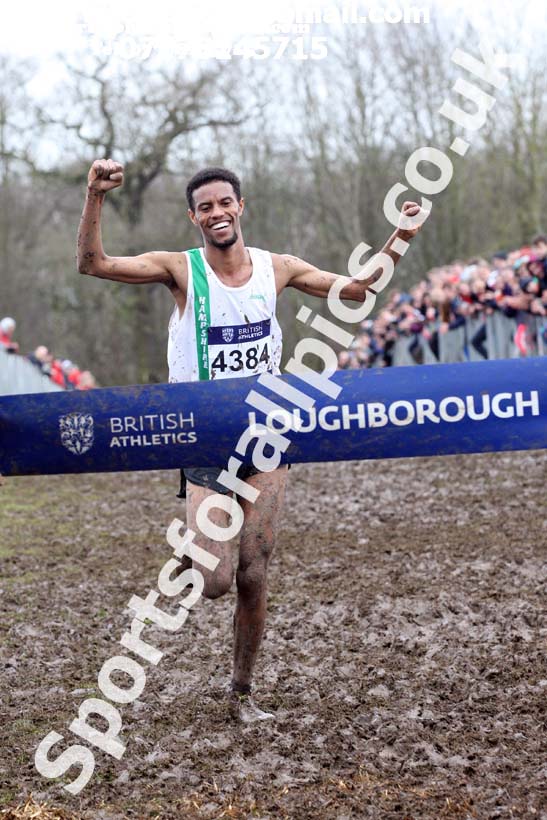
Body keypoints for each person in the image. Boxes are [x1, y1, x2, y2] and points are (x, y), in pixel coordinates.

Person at [77, 159, 423, 722]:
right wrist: (95, 195)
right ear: (193, 217)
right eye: (205, 207)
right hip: (205, 437)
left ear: (241, 207)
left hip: (266, 436)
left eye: (225, 203)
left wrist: (401, 235)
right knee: (214, 581)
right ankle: (194, 547)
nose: (217, 213)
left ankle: (242, 692)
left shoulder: (276, 268)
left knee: (254, 573)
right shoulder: (180, 269)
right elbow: (93, 263)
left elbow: (357, 292)